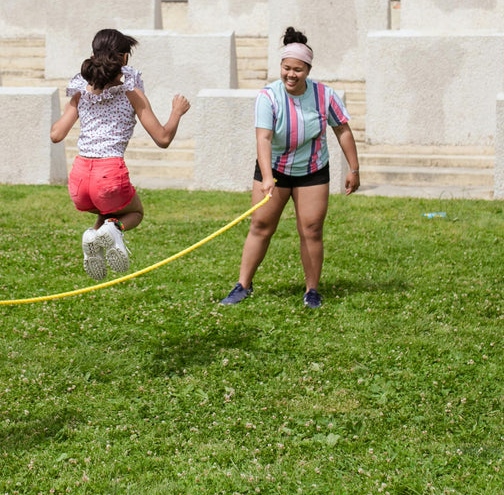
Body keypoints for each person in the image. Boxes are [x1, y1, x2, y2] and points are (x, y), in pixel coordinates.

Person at [220, 27, 360, 309]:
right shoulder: (268, 96)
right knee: (260, 225)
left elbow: (342, 131)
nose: (291, 75)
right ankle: (242, 285)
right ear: (281, 67)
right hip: (274, 170)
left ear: (308, 69)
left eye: (298, 69)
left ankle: (312, 291)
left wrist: (354, 169)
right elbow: (264, 138)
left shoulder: (325, 95)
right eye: (286, 68)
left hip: (312, 170)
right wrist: (268, 177)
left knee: (311, 229)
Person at [49, 28, 190, 281]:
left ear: (93, 55)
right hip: (110, 174)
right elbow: (163, 138)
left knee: (107, 207)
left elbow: (56, 135)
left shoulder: (81, 91)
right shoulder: (131, 92)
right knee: (134, 213)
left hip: (79, 179)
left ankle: (94, 235)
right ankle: (115, 228)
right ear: (124, 59)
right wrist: (177, 112)